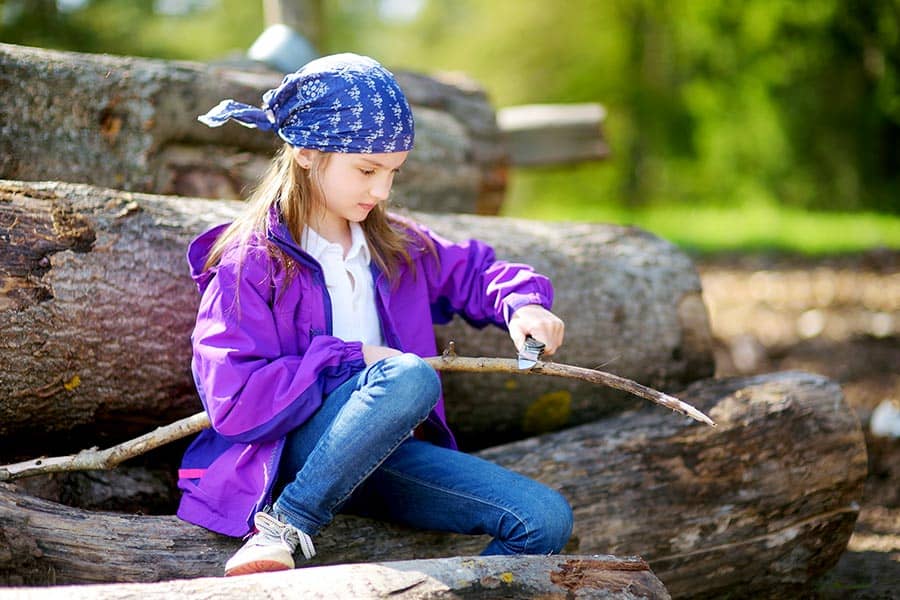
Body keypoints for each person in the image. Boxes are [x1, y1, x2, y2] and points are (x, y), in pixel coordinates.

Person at [176, 53, 573, 577]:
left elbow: (476, 272)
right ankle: (284, 526)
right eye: (367, 170)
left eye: (392, 172)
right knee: (408, 376)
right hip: (285, 457)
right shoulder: (251, 261)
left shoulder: (395, 245)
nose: (381, 191)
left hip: (383, 456)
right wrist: (355, 358)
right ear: (306, 153)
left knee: (544, 521)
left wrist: (522, 303)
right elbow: (235, 401)